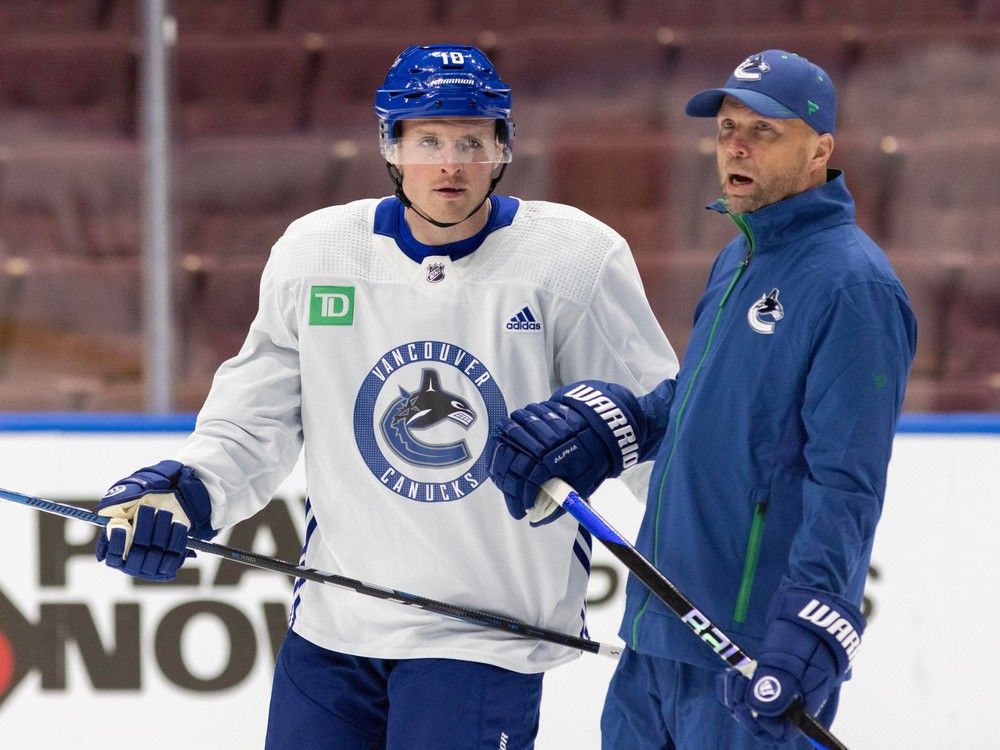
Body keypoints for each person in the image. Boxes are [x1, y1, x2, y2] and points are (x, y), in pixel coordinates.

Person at [91, 44, 677, 749]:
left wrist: (723, 550)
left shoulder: (575, 260)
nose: (450, 163)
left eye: (471, 140)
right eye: (427, 140)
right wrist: (188, 492)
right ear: (390, 146)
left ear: (503, 148)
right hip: (335, 629)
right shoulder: (317, 254)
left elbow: (652, 434)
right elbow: (255, 420)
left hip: (485, 637)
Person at [490, 49, 917, 749]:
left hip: (745, 656)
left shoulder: (854, 288)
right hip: (661, 629)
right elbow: (703, 400)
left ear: (821, 149)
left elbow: (848, 484)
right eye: (726, 130)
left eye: (764, 131)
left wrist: (816, 616)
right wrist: (621, 425)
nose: (736, 148)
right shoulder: (741, 256)